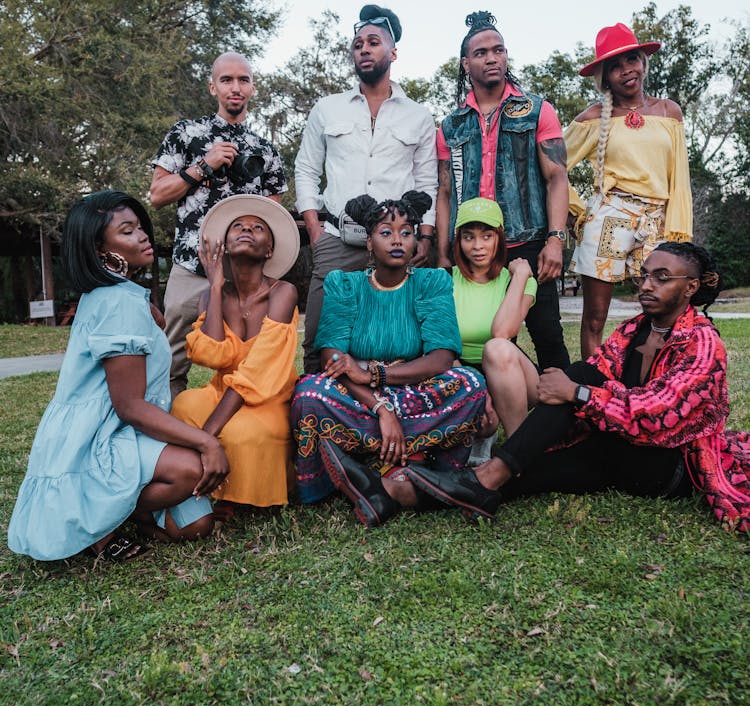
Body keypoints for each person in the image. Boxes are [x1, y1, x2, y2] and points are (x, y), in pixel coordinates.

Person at [397, 244, 750, 535]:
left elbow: (659, 414)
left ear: (690, 287)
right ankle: (411, 493)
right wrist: (575, 387)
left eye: (662, 278)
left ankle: (482, 475)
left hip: (667, 464)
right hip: (613, 447)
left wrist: (577, 394)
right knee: (533, 469)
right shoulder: (634, 329)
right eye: (643, 275)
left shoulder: (703, 343)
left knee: (575, 393)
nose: (646, 285)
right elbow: (594, 373)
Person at [8, 192, 230, 562]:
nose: (143, 236)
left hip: (119, 431)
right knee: (192, 470)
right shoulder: (118, 302)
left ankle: (126, 511)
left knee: (193, 527)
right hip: (95, 437)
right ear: (99, 251)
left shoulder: (118, 295)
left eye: (140, 227)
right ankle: (96, 518)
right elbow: (129, 406)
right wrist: (208, 443)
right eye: (127, 231)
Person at [291, 191, 489, 527]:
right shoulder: (344, 284)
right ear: (368, 243)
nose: (397, 240)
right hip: (361, 400)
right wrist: (381, 408)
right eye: (386, 233)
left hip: (412, 388)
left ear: (415, 242)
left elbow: (442, 357)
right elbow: (333, 358)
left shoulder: (431, 282)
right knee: (309, 394)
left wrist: (374, 375)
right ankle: (408, 465)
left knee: (471, 384)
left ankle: (383, 469)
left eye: (406, 233)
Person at [294, 4, 438, 373]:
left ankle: (390, 416)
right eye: (358, 44)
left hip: (397, 243)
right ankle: (315, 417)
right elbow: (307, 169)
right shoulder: (328, 108)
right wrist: (315, 231)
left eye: (373, 42)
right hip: (337, 242)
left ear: (393, 53)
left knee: (401, 337)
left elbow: (426, 181)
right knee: (319, 339)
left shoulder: (418, 115)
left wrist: (423, 235)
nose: (364, 49)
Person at [436, 11, 570, 371]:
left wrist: (555, 239)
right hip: (472, 246)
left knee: (547, 334)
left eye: (498, 50)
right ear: (465, 64)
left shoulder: (537, 110)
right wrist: (444, 254)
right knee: (481, 341)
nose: (491, 57)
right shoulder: (450, 125)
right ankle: (486, 416)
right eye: (480, 53)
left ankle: (567, 422)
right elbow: (445, 192)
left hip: (528, 241)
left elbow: (557, 177)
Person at [149, 52, 287, 398]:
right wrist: (204, 166)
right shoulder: (186, 133)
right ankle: (168, 434)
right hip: (192, 265)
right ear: (213, 87)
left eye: (243, 80)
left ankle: (242, 432)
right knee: (171, 361)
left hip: (244, 278)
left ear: (253, 88)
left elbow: (273, 218)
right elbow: (157, 195)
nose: (235, 88)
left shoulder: (265, 151)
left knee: (250, 358)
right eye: (227, 80)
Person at [566, 22, 693, 358]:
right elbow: (550, 167)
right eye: (615, 67)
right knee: (595, 318)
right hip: (609, 220)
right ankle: (593, 388)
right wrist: (578, 212)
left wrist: (679, 234)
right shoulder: (593, 118)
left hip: (656, 221)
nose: (626, 71)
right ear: (605, 76)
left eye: (632, 60)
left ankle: (649, 388)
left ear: (643, 62)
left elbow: (680, 178)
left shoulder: (669, 112)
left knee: (662, 312)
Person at [171, 196, 299, 511]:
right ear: (225, 245)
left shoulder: (283, 292)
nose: (246, 230)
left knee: (243, 432)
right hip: (224, 390)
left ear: (269, 249)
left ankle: (234, 496)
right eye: (238, 226)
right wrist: (215, 287)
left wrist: (207, 434)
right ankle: (198, 480)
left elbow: (256, 372)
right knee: (184, 405)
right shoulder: (209, 296)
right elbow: (210, 355)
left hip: (268, 395)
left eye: (257, 228)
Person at [451, 197, 538, 439]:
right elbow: (438, 345)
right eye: (469, 237)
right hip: (461, 371)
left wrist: (520, 275)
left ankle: (517, 449)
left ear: (499, 238)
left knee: (497, 347)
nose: (478, 246)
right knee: (482, 425)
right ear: (459, 240)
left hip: (510, 373)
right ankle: (476, 440)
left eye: (487, 236)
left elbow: (503, 332)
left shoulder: (519, 281)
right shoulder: (444, 278)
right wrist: (476, 389)